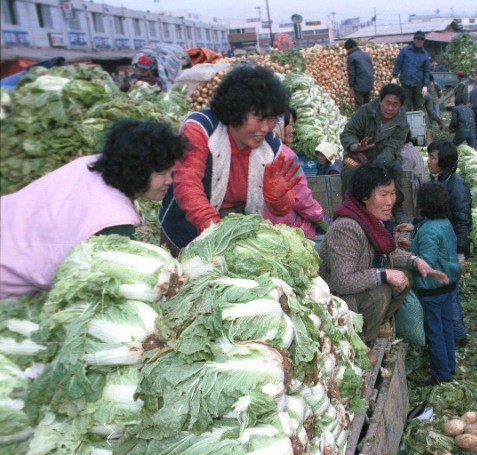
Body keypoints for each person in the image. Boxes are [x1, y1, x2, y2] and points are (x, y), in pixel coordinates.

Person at [1, 120, 188, 298]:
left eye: (170, 172)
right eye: (162, 174)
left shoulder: (92, 164)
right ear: (136, 171)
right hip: (8, 277)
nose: (169, 181)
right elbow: (111, 281)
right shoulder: (112, 222)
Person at [159, 66, 324, 250]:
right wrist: (217, 232)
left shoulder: (272, 149)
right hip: (184, 231)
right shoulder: (200, 129)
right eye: (259, 118)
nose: (266, 127)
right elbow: (187, 186)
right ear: (235, 110)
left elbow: (282, 209)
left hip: (234, 233)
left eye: (271, 119)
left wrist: (279, 200)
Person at [318, 160, 442, 346]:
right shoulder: (346, 228)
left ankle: (375, 325)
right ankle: (361, 343)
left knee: (405, 276)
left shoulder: (373, 219)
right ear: (365, 197)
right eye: (383, 194)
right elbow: (341, 281)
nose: (390, 201)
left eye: (392, 194)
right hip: (340, 299)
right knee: (381, 292)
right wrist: (384, 274)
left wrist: (414, 260)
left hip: (359, 285)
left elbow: (390, 253)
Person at [411, 182, 460, 385]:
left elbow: (426, 264)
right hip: (449, 286)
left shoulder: (428, 230)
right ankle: (450, 365)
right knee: (447, 327)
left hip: (432, 290)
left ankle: (441, 374)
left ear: (423, 205)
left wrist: (411, 258)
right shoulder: (445, 223)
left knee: (435, 332)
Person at [426, 139, 472, 346]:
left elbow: (463, 222)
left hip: (450, 249)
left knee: (449, 292)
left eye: (432, 157)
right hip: (442, 246)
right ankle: (455, 331)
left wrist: (461, 252)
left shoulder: (456, 186)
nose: (428, 161)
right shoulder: (437, 180)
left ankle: (458, 335)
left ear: (443, 161)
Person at [340, 83, 410, 197]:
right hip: (355, 157)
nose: (390, 108)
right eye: (387, 103)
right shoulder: (364, 111)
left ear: (400, 106)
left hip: (385, 160)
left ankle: (396, 206)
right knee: (349, 170)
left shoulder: (402, 124)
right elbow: (348, 133)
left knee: (395, 170)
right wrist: (356, 147)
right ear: (380, 101)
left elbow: (391, 149)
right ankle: (349, 206)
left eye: (395, 104)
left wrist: (372, 166)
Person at [392, 31, 431, 111]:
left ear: (423, 41)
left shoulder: (425, 55)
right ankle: (406, 123)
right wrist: (394, 76)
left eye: (421, 40)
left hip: (418, 85)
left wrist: (425, 85)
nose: (419, 41)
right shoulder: (405, 50)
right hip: (406, 83)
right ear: (414, 39)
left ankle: (418, 123)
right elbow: (398, 63)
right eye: (417, 39)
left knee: (419, 106)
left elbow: (426, 71)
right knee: (405, 106)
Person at [345, 39, 374, 107]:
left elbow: (351, 74)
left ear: (349, 48)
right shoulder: (366, 55)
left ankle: (360, 117)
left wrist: (351, 87)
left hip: (360, 86)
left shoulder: (351, 57)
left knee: (359, 107)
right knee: (367, 105)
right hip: (369, 83)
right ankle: (368, 117)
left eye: (347, 49)